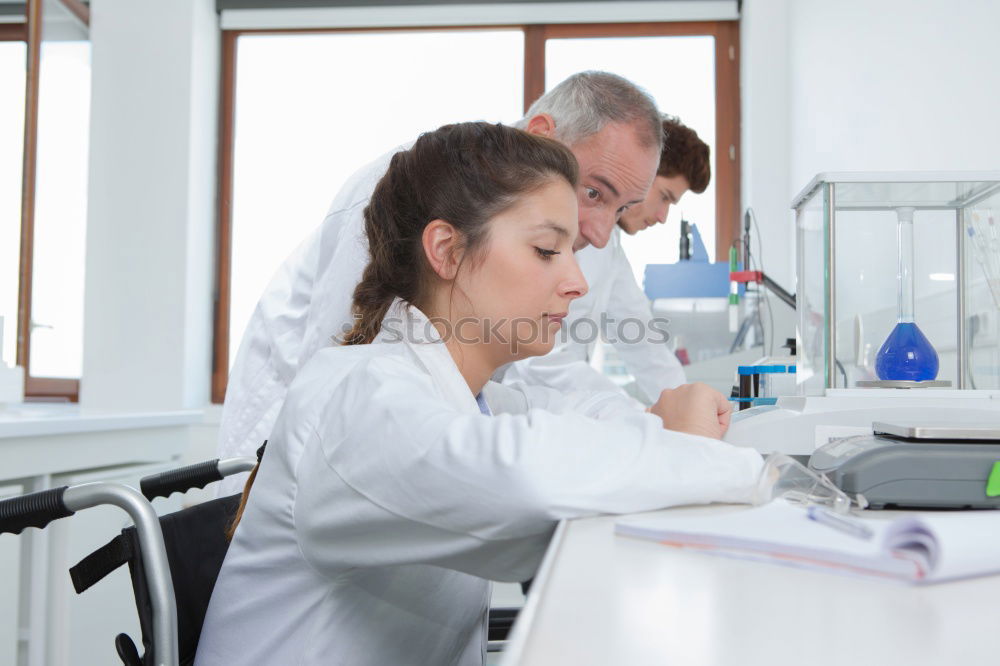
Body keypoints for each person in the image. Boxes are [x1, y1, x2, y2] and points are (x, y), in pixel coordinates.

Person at [194, 122, 762, 666]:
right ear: (446, 251)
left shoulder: (479, 400)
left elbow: (564, 430)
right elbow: (524, 480)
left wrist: (662, 427)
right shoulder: (355, 397)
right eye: (546, 251)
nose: (578, 282)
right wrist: (690, 448)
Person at [215, 71, 665, 495]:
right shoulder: (416, 189)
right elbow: (343, 373)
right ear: (542, 133)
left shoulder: (554, 225)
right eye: (594, 193)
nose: (602, 233)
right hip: (298, 451)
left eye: (623, 209)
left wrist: (646, 419)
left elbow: (541, 374)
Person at [501, 115, 711, 404]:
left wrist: (687, 405)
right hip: (518, 406)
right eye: (664, 197)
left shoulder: (609, 247)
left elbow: (644, 343)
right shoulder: (556, 228)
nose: (663, 217)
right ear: (643, 174)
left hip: (558, 408)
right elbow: (541, 361)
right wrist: (639, 414)